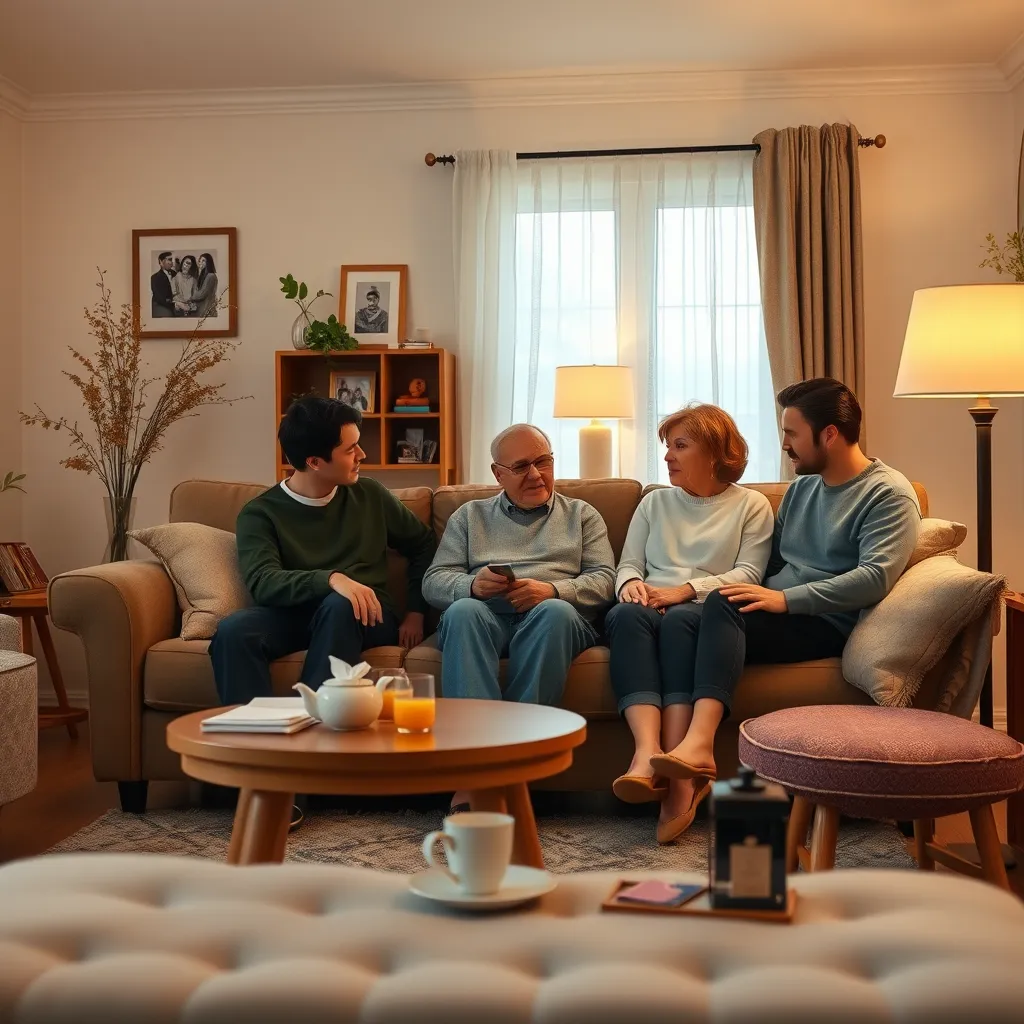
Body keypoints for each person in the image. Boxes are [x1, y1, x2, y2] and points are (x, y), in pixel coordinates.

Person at [647, 377, 921, 809]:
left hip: (826, 621)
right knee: (682, 618)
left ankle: (699, 744)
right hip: (777, 611)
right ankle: (679, 781)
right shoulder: (803, 489)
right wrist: (758, 592)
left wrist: (785, 600)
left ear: (828, 434)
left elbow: (875, 578)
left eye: (792, 434)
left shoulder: (888, 494)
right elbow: (774, 565)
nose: (785, 445)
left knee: (722, 603)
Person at [422, 422, 615, 812]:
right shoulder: (469, 516)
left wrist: (553, 590)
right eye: (522, 466)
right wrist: (472, 586)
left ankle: (511, 770)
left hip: (554, 617)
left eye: (543, 461)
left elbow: (606, 581)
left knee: (555, 612)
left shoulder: (582, 514)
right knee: (463, 612)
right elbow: (434, 581)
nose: (536, 474)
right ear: (498, 474)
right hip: (485, 615)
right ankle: (480, 774)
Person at [605, 404, 774, 844]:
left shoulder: (751, 505)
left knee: (681, 622)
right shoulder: (654, 502)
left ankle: (679, 778)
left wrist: (685, 590)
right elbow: (628, 565)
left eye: (680, 446)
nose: (668, 457)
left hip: (697, 607)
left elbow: (748, 574)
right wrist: (631, 587)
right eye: (667, 447)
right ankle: (646, 755)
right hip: (646, 606)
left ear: (717, 451)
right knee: (624, 615)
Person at [210, 395, 436, 707]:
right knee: (234, 631)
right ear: (315, 462)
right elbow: (264, 582)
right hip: (294, 615)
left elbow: (423, 544)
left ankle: (316, 722)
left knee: (340, 604)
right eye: (350, 449)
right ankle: (253, 739)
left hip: (364, 613)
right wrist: (330, 578)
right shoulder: (259, 514)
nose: (362, 454)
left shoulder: (370, 495)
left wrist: (414, 611)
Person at [189, 252, 219, 317]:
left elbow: (201, 294)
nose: (200, 263)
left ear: (208, 263)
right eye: (200, 261)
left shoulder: (211, 276)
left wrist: (189, 298)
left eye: (203, 261)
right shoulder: (203, 276)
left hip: (206, 310)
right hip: (202, 309)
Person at [150, 251, 177, 318]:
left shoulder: (175, 274)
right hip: (161, 305)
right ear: (161, 262)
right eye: (170, 260)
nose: (172, 262)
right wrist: (175, 304)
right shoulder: (155, 278)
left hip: (175, 304)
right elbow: (160, 298)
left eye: (173, 260)